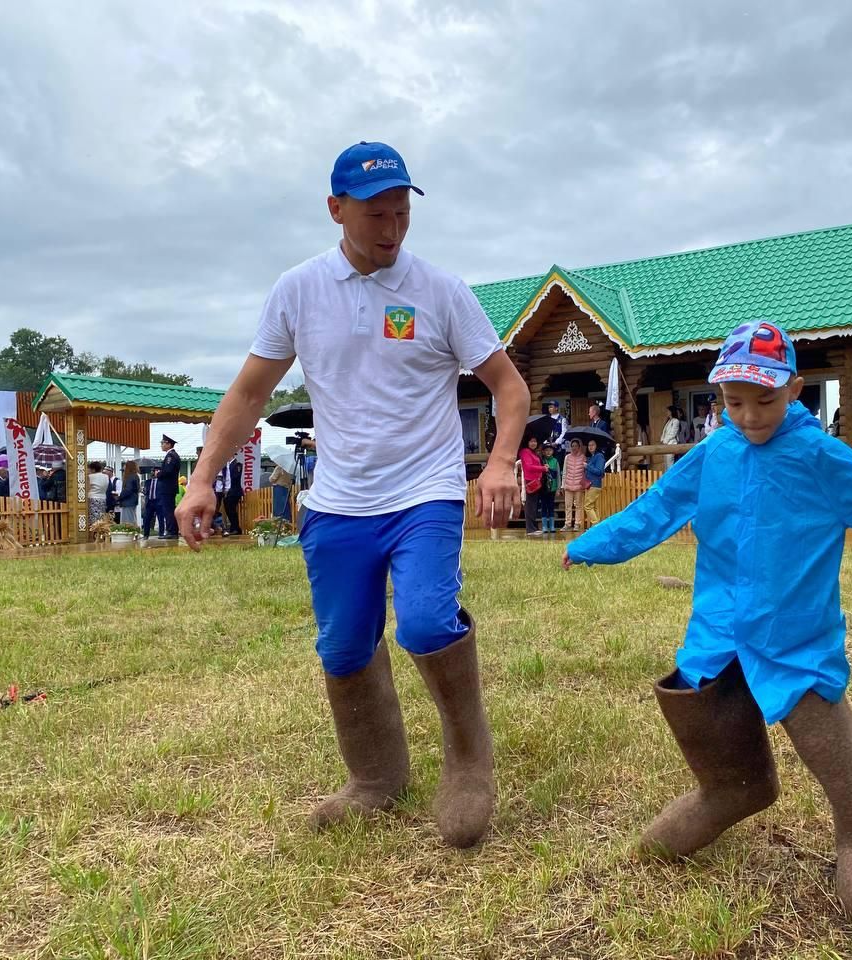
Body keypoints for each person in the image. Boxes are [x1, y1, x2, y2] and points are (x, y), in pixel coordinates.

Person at [562, 320, 852, 922]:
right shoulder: (713, 454)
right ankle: (730, 791)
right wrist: (594, 543)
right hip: (718, 636)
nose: (750, 416)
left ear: (795, 389)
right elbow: (656, 508)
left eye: (766, 400)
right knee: (707, 727)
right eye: (734, 402)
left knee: (831, 751)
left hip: (794, 638)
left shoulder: (819, 456)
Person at [175, 139, 527, 847]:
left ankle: (468, 760)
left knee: (427, 623)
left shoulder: (441, 292)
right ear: (336, 210)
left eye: (402, 212)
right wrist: (204, 476)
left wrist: (498, 464)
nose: (392, 229)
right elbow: (249, 393)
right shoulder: (298, 291)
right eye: (376, 215)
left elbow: (509, 387)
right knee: (342, 649)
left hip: (425, 492)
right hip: (338, 504)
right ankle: (376, 779)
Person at [519, 436, 546, 536]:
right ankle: (530, 529)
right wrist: (542, 468)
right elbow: (529, 467)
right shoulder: (525, 452)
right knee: (530, 505)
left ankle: (533, 527)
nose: (533, 443)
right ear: (527, 442)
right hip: (530, 481)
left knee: (534, 505)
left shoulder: (533, 452)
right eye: (531, 441)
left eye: (535, 441)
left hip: (536, 481)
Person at [561, 438, 587, 531]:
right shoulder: (567, 457)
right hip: (568, 484)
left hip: (578, 485)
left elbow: (585, 472)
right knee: (568, 505)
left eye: (576, 446)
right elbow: (564, 471)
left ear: (579, 447)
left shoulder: (583, 457)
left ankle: (577, 523)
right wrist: (563, 485)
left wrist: (583, 484)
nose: (574, 448)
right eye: (572, 446)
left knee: (578, 505)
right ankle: (567, 523)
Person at [157, 435, 181, 538]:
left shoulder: (171, 456)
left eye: (163, 443)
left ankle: (172, 531)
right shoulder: (170, 455)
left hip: (168, 487)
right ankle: (172, 531)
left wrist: (158, 474)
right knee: (169, 509)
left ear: (168, 444)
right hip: (169, 487)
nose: (161, 445)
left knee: (168, 510)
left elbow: (168, 471)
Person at [217, 455, 245, 536]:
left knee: (232, 510)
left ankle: (236, 528)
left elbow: (235, 477)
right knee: (228, 510)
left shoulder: (237, 465)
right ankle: (234, 527)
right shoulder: (226, 466)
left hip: (234, 491)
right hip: (227, 492)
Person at [539, 442, 560, 534]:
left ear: (553, 451)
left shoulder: (555, 461)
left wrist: (558, 488)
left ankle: (552, 526)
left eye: (550, 450)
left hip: (552, 487)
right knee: (544, 506)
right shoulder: (541, 460)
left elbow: (558, 475)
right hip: (543, 487)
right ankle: (544, 526)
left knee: (551, 506)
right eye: (546, 450)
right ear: (543, 452)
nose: (548, 452)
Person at [584, 438, 606, 527]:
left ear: (596, 446)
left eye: (592, 445)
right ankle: (598, 526)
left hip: (595, 484)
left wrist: (587, 466)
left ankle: (595, 525)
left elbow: (599, 471)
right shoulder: (592, 457)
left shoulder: (599, 456)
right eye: (589, 445)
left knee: (587, 506)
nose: (590, 447)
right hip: (590, 484)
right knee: (594, 506)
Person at [142, 469, 164, 538]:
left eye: (153, 471)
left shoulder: (161, 482)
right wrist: (144, 491)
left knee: (160, 518)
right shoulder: (147, 482)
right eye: (151, 471)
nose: (152, 472)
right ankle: (146, 534)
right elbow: (145, 492)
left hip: (158, 502)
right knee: (146, 518)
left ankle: (161, 534)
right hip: (150, 502)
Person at [118, 461, 141, 527]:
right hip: (131, 501)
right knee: (131, 519)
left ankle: (130, 535)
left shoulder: (131, 477)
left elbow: (128, 490)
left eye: (125, 465)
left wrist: (120, 497)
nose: (124, 467)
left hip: (128, 501)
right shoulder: (134, 476)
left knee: (128, 522)